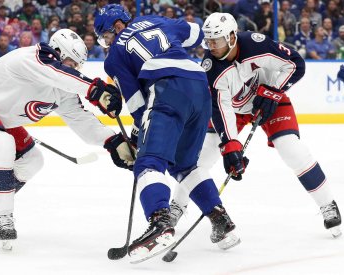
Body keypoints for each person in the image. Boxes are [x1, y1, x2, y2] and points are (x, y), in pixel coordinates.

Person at [0, 29, 129, 247]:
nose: (73, 69)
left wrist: (113, 142)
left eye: (77, 66)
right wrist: (94, 88)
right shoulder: (31, 57)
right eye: (70, 62)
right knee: (3, 144)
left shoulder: (62, 87)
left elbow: (82, 119)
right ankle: (2, 215)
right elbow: (55, 71)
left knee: (33, 160)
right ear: (57, 52)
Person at [171, 13, 342, 239]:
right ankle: (175, 208)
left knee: (291, 149)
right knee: (201, 158)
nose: (212, 46)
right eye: (209, 41)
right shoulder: (211, 69)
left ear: (232, 37)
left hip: (271, 100)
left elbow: (295, 64)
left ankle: (327, 204)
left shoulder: (255, 43)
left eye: (217, 40)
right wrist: (231, 145)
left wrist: (273, 91)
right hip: (236, 110)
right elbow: (221, 109)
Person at [94, 4, 240, 263]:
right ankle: (220, 219)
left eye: (106, 35)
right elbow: (198, 33)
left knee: (148, 163)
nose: (107, 42)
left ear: (116, 27)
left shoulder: (114, 56)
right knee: (185, 164)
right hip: (199, 89)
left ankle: (161, 222)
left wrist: (141, 133)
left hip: (166, 91)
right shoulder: (156, 20)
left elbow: (137, 102)